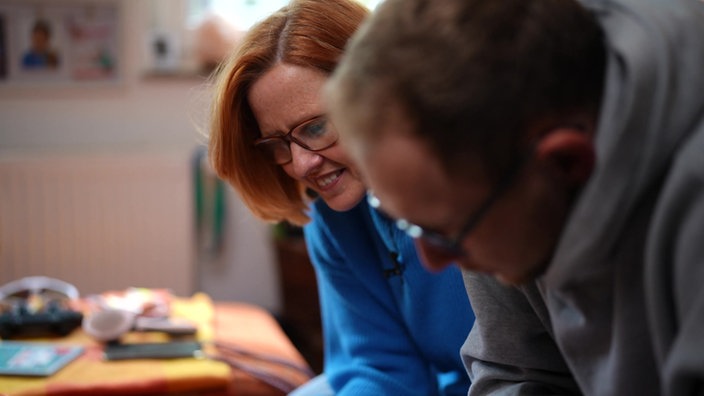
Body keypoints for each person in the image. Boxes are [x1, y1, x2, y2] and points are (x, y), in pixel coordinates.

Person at [325, 0, 704, 394]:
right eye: (408, 223)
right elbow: (513, 373)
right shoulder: (500, 196)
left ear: (565, 164)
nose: (431, 260)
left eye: (443, 232)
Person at [207, 0, 475, 395]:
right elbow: (377, 366)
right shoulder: (332, 220)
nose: (300, 165)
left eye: (316, 128)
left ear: (380, 96)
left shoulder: (477, 190)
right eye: (278, 143)